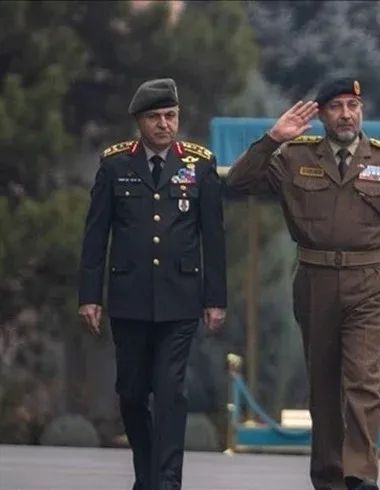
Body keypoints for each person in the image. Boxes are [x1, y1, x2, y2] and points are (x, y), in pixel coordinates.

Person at [226, 78, 380, 490]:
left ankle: (361, 475)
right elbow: (237, 182)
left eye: (353, 105)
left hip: (370, 283)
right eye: (336, 107)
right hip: (315, 282)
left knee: (363, 380)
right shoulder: (293, 156)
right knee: (324, 386)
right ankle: (330, 478)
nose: (347, 114)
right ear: (321, 115)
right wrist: (273, 139)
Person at [77, 78, 227, 490]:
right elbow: (96, 234)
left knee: (170, 390)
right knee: (131, 392)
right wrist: (89, 296)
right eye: (155, 117)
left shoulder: (200, 164)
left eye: (170, 116)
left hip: (180, 298)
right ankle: (146, 475)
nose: (164, 124)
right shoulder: (115, 165)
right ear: (139, 121)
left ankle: (167, 482)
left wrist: (215, 299)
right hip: (129, 297)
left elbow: (213, 238)